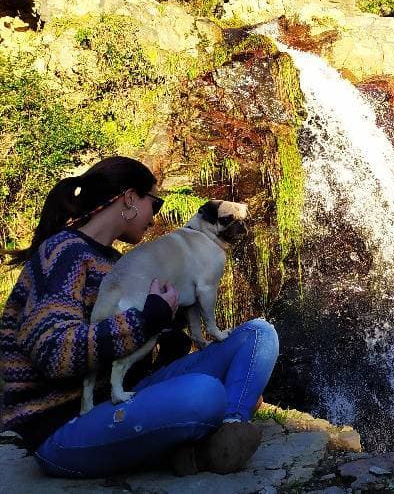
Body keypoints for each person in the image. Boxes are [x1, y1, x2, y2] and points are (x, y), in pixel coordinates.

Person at [0, 156, 279, 478]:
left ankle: (230, 427)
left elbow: (135, 351)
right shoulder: (64, 254)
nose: (153, 217)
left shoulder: (120, 261)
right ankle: (201, 440)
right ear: (130, 199)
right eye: (155, 204)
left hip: (127, 397)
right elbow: (52, 352)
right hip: (64, 427)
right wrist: (148, 319)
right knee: (204, 391)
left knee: (258, 334)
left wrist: (170, 335)